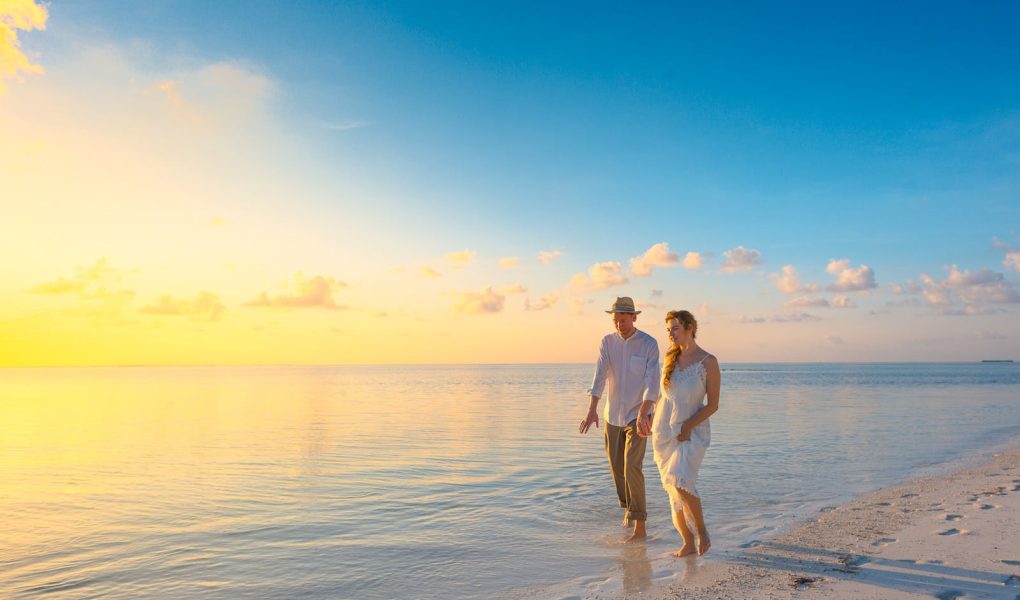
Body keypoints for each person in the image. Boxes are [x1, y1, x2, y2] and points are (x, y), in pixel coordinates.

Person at [579, 296, 660, 543]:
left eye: (623, 320)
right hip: (612, 414)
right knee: (616, 469)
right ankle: (628, 508)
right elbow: (600, 376)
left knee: (631, 466)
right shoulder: (607, 342)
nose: (619, 324)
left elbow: (652, 380)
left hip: (638, 415)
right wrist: (592, 408)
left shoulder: (648, 344)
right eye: (615, 320)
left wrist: (646, 410)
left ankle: (640, 525)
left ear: (634, 317)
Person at [651, 309, 719, 557]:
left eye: (675, 328)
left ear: (690, 327)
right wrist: (646, 416)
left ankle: (702, 531)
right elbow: (663, 396)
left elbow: (713, 404)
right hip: (664, 431)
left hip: (692, 431)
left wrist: (688, 426)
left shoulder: (708, 362)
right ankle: (687, 542)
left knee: (681, 481)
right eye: (668, 330)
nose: (670, 334)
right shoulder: (670, 359)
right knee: (672, 487)